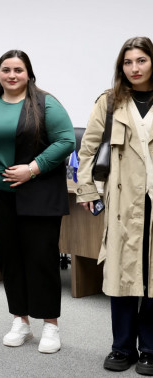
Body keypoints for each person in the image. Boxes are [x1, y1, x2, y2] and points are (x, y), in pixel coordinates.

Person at [0, 50, 75, 354]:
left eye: (18, 69)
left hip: (37, 193)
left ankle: (50, 324)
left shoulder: (45, 103)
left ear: (29, 73)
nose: (11, 75)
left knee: (41, 259)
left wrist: (32, 168)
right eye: (5, 69)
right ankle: (20, 320)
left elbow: (66, 140)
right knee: (9, 258)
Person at [77, 36, 153, 375]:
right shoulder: (109, 102)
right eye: (128, 62)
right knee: (121, 275)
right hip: (122, 202)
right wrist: (87, 191)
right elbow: (88, 149)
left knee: (152, 277)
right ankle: (121, 348)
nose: (134, 68)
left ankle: (150, 348)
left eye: (141, 60)